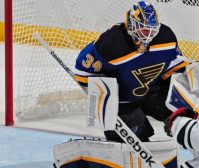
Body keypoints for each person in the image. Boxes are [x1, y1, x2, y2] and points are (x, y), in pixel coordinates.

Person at [74, 1, 190, 142]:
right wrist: (102, 95)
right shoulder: (111, 43)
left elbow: (177, 68)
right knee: (133, 138)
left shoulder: (166, 39)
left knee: (186, 111)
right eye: (144, 30)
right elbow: (83, 71)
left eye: (152, 30)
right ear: (132, 25)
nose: (148, 36)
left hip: (149, 93)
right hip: (122, 103)